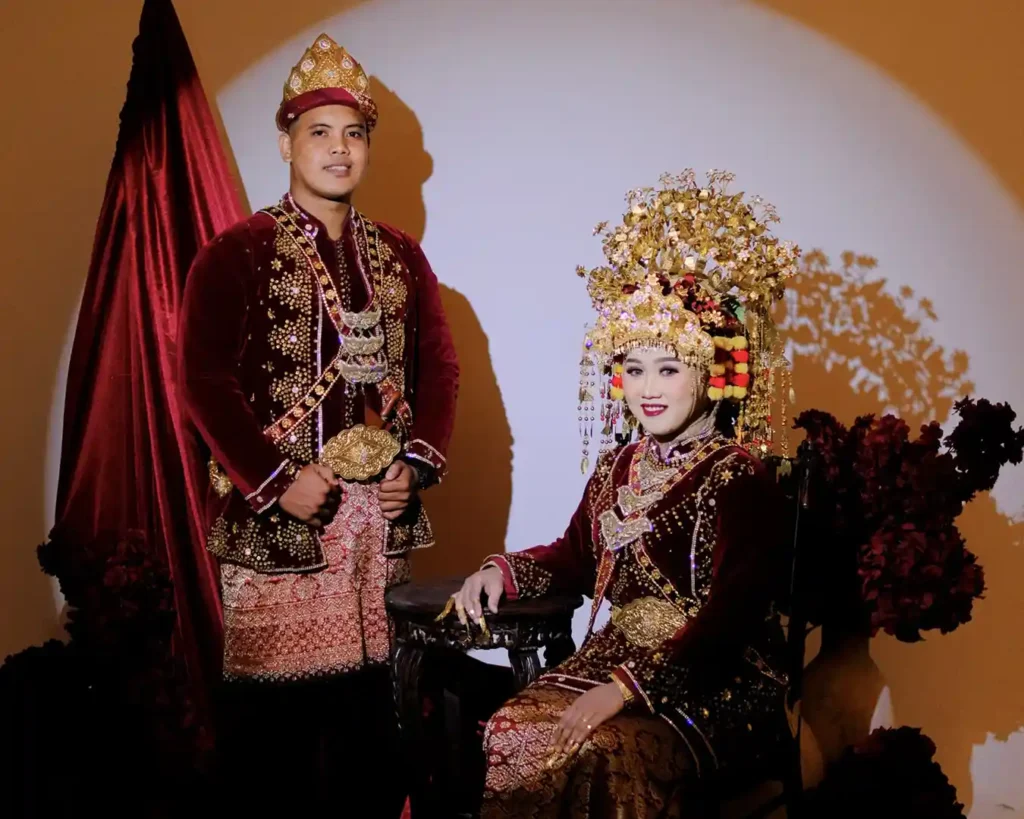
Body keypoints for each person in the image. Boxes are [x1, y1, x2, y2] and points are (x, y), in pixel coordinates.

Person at [450, 171, 800, 817]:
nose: (649, 388)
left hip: (715, 678)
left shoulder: (738, 477)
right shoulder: (620, 465)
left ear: (711, 374)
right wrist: (501, 569)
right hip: (614, 654)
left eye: (669, 368)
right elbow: (573, 558)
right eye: (634, 369)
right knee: (510, 730)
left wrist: (627, 688)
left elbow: (731, 616)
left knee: (603, 748)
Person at [176, 33, 458, 815]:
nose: (339, 149)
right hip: (281, 533)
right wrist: (276, 482)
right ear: (286, 143)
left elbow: (438, 366)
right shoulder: (235, 253)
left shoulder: (400, 256)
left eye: (353, 133)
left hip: (376, 534)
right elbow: (202, 381)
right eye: (319, 132)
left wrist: (415, 466)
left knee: (376, 733)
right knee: (276, 749)